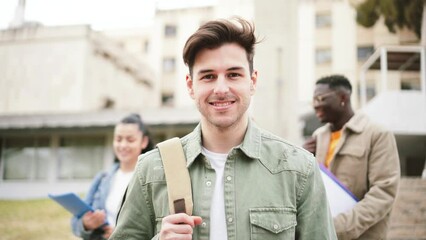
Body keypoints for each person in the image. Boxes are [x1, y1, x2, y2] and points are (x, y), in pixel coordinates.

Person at [110, 17, 337, 240]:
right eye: (208, 76)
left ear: (252, 81)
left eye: (233, 74)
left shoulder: (299, 169)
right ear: (191, 85)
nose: (221, 88)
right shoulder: (152, 168)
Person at [303, 74, 400, 239]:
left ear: (343, 98)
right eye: (314, 100)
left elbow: (383, 193)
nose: (316, 105)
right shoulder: (318, 136)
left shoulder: (377, 134)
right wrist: (301, 157)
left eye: (321, 98)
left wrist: (337, 227)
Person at [71, 113, 154, 240]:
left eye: (130, 140)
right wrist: (86, 224)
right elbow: (75, 223)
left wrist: (120, 235)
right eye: (118, 139)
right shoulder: (102, 178)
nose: (123, 145)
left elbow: (158, 226)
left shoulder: (152, 179)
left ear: (144, 142)